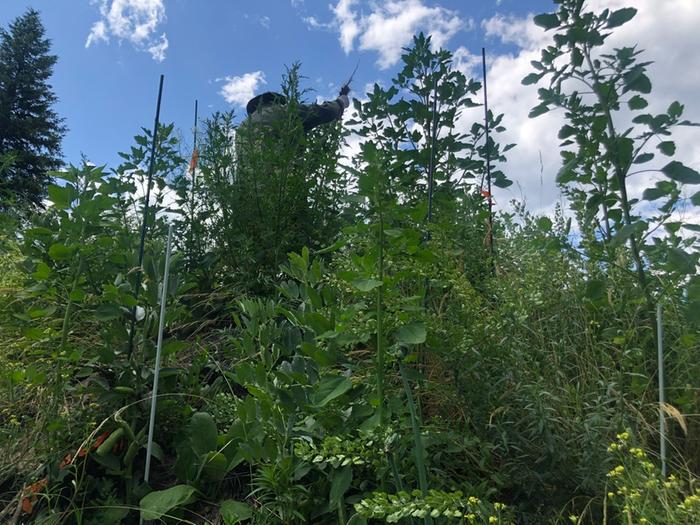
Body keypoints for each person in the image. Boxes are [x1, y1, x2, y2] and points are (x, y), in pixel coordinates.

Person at [243, 86, 350, 133]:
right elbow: (320, 112)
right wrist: (340, 102)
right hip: (278, 176)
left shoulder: (243, 128)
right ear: (275, 102)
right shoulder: (279, 111)